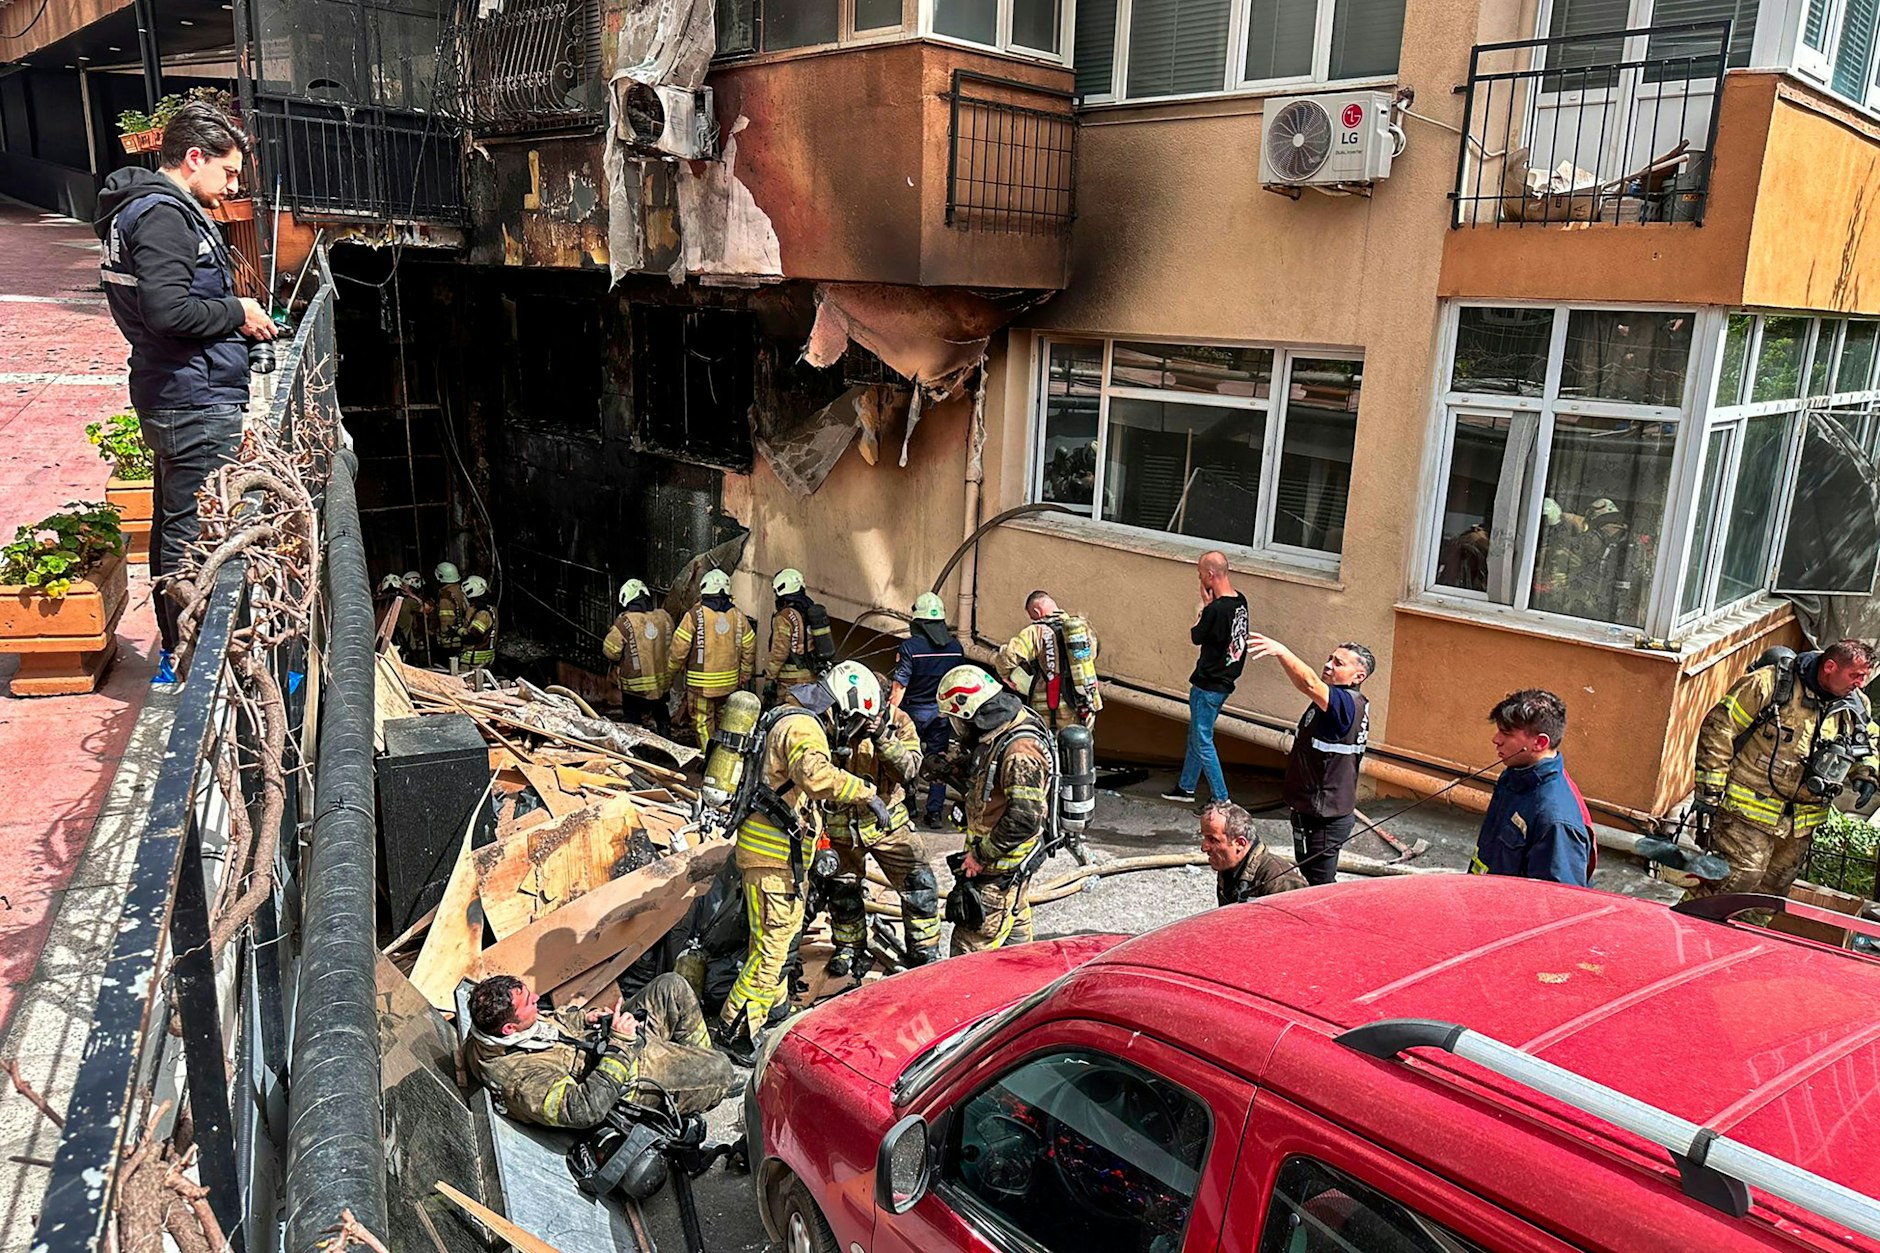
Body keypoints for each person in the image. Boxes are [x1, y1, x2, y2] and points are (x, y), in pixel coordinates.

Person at [94, 102, 279, 685]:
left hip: (178, 389)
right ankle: (195, 660)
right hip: (190, 396)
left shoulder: (150, 210)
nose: (230, 189)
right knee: (195, 532)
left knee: (179, 522)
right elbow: (168, 310)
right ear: (193, 158)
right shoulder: (163, 217)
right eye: (226, 173)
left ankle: (187, 653)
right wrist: (239, 310)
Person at [715, 667, 886, 1063]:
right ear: (846, 707)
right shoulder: (805, 729)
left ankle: (771, 1013)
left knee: (782, 937)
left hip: (777, 856)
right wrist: (866, 794)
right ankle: (734, 1027)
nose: (853, 730)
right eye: (856, 721)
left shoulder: (788, 714)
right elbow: (814, 776)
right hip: (770, 857)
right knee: (772, 947)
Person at [1688, 641, 1878, 899]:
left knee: (1771, 893)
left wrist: (1867, 772)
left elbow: (1868, 742)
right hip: (1747, 808)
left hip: (1801, 821)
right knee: (1737, 879)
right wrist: (1709, 791)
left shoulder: (1856, 704)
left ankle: (1746, 939)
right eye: (1855, 676)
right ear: (1830, 667)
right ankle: (1689, 930)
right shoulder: (1769, 684)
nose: (1860, 684)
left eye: (1864, 678)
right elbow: (1720, 728)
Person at [462, 972, 733, 1129]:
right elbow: (583, 1110)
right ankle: (710, 1085)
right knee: (722, 1070)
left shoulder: (498, 1031)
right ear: (509, 1028)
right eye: (529, 1003)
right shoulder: (521, 1080)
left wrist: (585, 1019)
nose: (536, 999)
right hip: (622, 1081)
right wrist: (621, 1045)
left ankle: (695, 1076)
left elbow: (552, 1023)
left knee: (671, 987)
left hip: (609, 1043)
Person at [926, 665, 1052, 954]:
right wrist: (953, 768)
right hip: (1011, 875)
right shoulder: (1004, 725)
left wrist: (979, 856)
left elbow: (1025, 818)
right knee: (1016, 947)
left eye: (957, 720)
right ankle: (1024, 994)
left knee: (968, 954)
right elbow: (992, 777)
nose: (957, 728)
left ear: (971, 712)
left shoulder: (1020, 751)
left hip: (998, 870)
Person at [822, 665, 938, 974]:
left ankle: (924, 951)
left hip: (889, 823)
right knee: (843, 890)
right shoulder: (831, 718)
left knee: (919, 883)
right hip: (840, 823)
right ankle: (849, 947)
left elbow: (910, 770)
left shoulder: (899, 722)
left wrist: (883, 737)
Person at [1244, 634, 1374, 886]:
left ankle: (1326, 925)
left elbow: (1309, 683)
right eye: (1329, 658)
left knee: (1319, 886)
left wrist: (1282, 650)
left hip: (1324, 816)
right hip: (1312, 810)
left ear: (1358, 677)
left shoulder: (1346, 703)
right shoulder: (1334, 701)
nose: (1328, 665)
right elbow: (1308, 686)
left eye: (1338, 663)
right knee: (1308, 880)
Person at [1472, 690, 1594, 886]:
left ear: (1539, 742)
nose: (1496, 739)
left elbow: (1557, 901)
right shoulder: (1515, 774)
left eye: (1506, 733)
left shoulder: (1555, 821)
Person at [1164, 551, 1249, 805]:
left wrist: (1203, 607)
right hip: (1225, 680)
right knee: (1197, 734)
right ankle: (1186, 786)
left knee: (1202, 741)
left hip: (1208, 683)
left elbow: (1196, 636)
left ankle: (1222, 800)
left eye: (1201, 573)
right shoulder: (1240, 602)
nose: (1199, 578)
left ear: (1210, 575)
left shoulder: (1216, 610)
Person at [889, 592, 965, 829]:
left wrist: (890, 714)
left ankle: (909, 805)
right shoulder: (956, 648)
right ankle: (934, 813)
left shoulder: (910, 647)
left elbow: (899, 685)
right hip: (942, 713)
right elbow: (957, 682)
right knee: (938, 761)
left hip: (912, 714)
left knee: (907, 758)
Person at [664, 569, 757, 752]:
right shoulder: (738, 615)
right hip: (729, 685)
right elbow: (750, 645)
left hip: (701, 686)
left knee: (702, 722)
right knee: (725, 720)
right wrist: (745, 673)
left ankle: (709, 759)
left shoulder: (694, 615)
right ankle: (725, 755)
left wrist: (670, 673)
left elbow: (678, 650)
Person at [994, 590, 1102, 736]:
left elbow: (1008, 656)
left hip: (1053, 710)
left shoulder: (1035, 632)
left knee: (1053, 748)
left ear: (1037, 612)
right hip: (1085, 703)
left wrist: (1005, 675)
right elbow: (1092, 655)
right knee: (1080, 747)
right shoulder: (1081, 629)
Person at [603, 579, 674, 735]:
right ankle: (666, 738)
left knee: (632, 717)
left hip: (634, 686)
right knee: (661, 710)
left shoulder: (624, 622)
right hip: (661, 682)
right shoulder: (664, 617)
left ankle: (639, 751)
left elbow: (611, 651)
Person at [1201, 801, 1307, 905]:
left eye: (1213, 840)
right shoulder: (1229, 864)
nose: (1203, 848)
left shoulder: (1280, 881)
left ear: (1240, 844)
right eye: (1204, 838)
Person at [763, 568, 820, 704]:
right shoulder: (810, 610)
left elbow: (779, 652)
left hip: (790, 682)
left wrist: (770, 678)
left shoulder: (785, 616)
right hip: (812, 677)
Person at [457, 575, 498, 670]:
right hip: (484, 659)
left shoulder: (482, 614)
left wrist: (460, 631)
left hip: (474, 662)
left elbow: (473, 637)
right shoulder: (492, 608)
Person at [433, 561, 469, 663]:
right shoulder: (461, 590)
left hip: (451, 642)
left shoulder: (445, 597)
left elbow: (446, 622)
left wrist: (443, 638)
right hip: (463, 636)